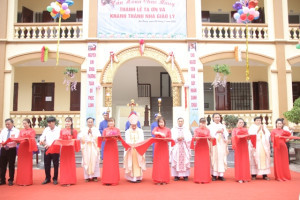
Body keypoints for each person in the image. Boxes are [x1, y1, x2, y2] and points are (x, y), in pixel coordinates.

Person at [124, 113, 145, 183]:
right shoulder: (127, 132)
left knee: (138, 162)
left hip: (138, 149)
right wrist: (131, 145)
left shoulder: (140, 131)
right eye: (132, 125)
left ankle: (138, 177)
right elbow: (127, 140)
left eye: (135, 125)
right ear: (130, 124)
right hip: (130, 149)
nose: (133, 127)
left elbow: (141, 139)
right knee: (131, 162)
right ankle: (132, 177)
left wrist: (137, 145)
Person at [39, 116, 60, 185]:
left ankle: (55, 179)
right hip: (47, 148)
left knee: (55, 164)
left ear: (54, 122)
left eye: (50, 123)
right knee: (46, 164)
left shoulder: (58, 130)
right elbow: (42, 136)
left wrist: (50, 145)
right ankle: (47, 178)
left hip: (55, 149)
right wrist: (42, 140)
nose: (49, 124)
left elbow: (57, 140)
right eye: (48, 123)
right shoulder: (46, 129)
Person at [79, 117, 101, 182]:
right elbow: (81, 138)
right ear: (87, 122)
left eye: (91, 122)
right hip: (86, 147)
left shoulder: (96, 130)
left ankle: (95, 176)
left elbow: (98, 138)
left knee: (95, 161)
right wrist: (87, 135)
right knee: (86, 161)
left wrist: (92, 135)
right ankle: (87, 177)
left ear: (93, 122)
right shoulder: (84, 129)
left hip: (94, 147)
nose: (90, 123)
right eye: (89, 122)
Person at [208, 113, 229, 181]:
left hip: (222, 143)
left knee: (222, 158)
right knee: (214, 158)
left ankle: (221, 175)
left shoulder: (223, 126)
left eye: (218, 117)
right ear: (213, 118)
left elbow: (226, 134)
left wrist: (223, 134)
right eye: (216, 117)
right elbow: (209, 134)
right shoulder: (210, 126)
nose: (217, 118)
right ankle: (214, 174)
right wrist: (216, 131)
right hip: (214, 144)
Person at [15, 119, 36, 186]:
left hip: (28, 148)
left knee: (27, 164)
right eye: (23, 124)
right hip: (22, 148)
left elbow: (32, 138)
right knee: (21, 164)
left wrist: (27, 139)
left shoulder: (32, 131)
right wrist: (16, 140)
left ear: (29, 123)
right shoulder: (21, 131)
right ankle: (20, 181)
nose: (24, 125)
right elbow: (19, 138)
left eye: (25, 123)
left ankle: (27, 181)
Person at [152, 117, 172, 185]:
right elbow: (153, 132)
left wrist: (166, 139)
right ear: (158, 123)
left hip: (164, 147)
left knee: (164, 163)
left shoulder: (168, 129)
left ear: (164, 122)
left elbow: (169, 138)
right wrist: (160, 133)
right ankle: (157, 179)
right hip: (158, 147)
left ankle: (164, 179)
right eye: (160, 122)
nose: (161, 123)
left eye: (162, 122)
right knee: (158, 163)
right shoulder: (156, 128)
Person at [101, 118, 121, 185]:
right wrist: (105, 137)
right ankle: (107, 180)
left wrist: (115, 137)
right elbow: (103, 139)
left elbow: (119, 138)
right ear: (108, 123)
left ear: (114, 123)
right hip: (107, 147)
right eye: (110, 122)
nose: (111, 123)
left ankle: (114, 180)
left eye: (112, 122)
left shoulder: (117, 129)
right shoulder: (105, 130)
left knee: (114, 163)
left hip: (114, 147)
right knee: (107, 163)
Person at [0, 118, 20, 186]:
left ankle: (11, 179)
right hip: (4, 149)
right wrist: (3, 144)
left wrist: (10, 142)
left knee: (11, 165)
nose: (7, 125)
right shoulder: (3, 131)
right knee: (2, 165)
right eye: (6, 124)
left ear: (12, 124)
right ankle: (2, 179)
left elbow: (17, 140)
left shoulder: (16, 131)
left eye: (8, 124)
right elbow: (1, 139)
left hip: (11, 149)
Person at [59, 117, 78, 186]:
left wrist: (72, 140)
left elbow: (76, 140)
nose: (67, 123)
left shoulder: (74, 131)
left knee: (70, 164)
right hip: (64, 149)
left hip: (70, 149)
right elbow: (60, 138)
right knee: (64, 164)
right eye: (66, 121)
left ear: (71, 123)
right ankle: (64, 180)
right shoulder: (62, 130)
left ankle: (70, 180)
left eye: (69, 121)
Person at [231, 118, 251, 183]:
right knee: (239, 161)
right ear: (237, 123)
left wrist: (248, 136)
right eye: (239, 122)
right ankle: (239, 177)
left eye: (242, 122)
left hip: (244, 145)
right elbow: (233, 137)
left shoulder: (246, 129)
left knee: (245, 161)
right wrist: (237, 136)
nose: (241, 124)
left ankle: (245, 177)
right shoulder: (234, 130)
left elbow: (248, 137)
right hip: (238, 146)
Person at [193, 118, 211, 184]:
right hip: (199, 147)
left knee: (205, 162)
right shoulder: (196, 130)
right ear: (199, 123)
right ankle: (198, 178)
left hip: (205, 146)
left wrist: (211, 138)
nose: (203, 124)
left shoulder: (208, 130)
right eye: (201, 123)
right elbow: (194, 138)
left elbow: (209, 138)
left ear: (206, 123)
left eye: (204, 123)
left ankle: (205, 178)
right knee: (199, 163)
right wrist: (196, 138)